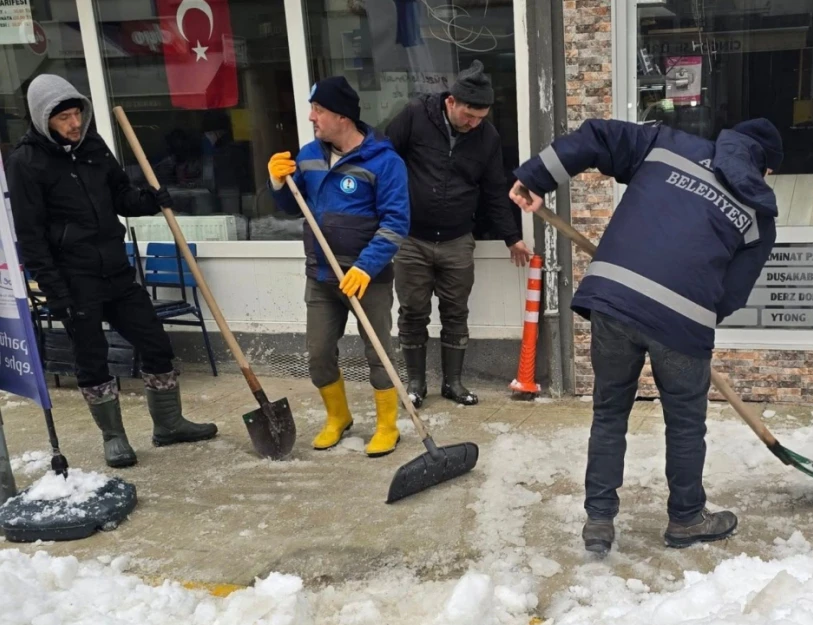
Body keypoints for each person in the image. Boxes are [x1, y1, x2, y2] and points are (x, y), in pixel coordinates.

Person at [510, 117, 783, 552]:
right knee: (686, 426)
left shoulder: (667, 143)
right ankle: (686, 519)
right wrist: (686, 322)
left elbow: (597, 136)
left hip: (614, 300)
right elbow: (729, 297)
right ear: (765, 169)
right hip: (682, 322)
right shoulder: (760, 217)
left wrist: (534, 177)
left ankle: (599, 523)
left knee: (609, 414)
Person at [5, 74, 218, 468]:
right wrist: (55, 291)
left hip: (116, 271)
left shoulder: (94, 146)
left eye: (76, 114)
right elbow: (31, 237)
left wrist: (149, 199)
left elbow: (119, 194)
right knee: (93, 358)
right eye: (63, 117)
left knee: (155, 343)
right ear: (41, 119)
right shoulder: (25, 163)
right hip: (74, 277)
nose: (73, 124)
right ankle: (114, 437)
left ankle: (168, 424)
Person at [267, 76, 410, 457]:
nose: (311, 117)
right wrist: (278, 183)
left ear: (342, 117)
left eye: (319, 110)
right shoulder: (309, 156)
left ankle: (386, 426)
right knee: (317, 354)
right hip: (322, 276)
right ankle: (338, 418)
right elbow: (291, 207)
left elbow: (396, 223)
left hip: (367, 279)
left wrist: (366, 267)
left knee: (378, 354)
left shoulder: (385, 161)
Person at [384, 60, 530, 408]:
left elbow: (495, 189)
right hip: (411, 238)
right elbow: (383, 161)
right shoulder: (414, 116)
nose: (474, 124)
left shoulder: (487, 137)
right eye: (469, 115)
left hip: (457, 240)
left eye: (481, 117)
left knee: (455, 312)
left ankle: (453, 383)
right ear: (451, 101)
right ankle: (416, 384)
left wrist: (512, 236)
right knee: (413, 311)